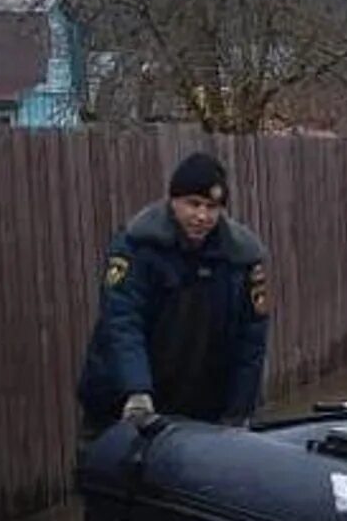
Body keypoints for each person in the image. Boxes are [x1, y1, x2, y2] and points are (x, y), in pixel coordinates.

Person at [76, 151, 270, 437]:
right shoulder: (138, 247)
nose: (202, 216)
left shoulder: (240, 259)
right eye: (193, 204)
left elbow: (251, 340)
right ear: (173, 201)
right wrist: (136, 391)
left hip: (200, 407)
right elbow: (122, 322)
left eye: (212, 207)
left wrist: (239, 412)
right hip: (122, 405)